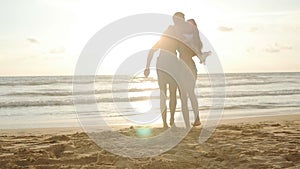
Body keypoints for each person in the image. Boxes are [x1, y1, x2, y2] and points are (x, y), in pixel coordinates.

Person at [144, 12, 184, 128]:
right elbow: (152, 50)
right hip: (162, 66)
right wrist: (147, 67)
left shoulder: (178, 34)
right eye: (180, 20)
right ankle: (165, 123)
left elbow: (184, 52)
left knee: (172, 94)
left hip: (172, 66)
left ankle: (171, 120)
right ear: (175, 20)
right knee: (164, 95)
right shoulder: (168, 33)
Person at [176, 18, 211, 128]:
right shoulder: (181, 35)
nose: (189, 27)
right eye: (188, 25)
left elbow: (195, 53)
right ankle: (187, 122)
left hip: (189, 66)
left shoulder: (196, 41)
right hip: (182, 66)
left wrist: (200, 55)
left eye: (191, 25)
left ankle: (197, 119)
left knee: (190, 93)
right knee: (183, 95)